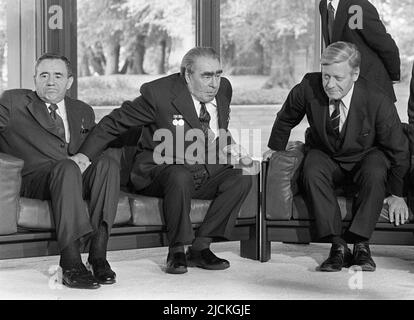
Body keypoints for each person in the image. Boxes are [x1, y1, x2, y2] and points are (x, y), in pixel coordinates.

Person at [72, 47, 253, 275]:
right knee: (179, 175)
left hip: (204, 168)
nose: (214, 83)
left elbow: (218, 128)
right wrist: (83, 155)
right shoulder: (158, 94)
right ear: (187, 75)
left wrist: (230, 146)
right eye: (207, 76)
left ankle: (200, 247)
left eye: (218, 74)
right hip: (159, 170)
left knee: (243, 177)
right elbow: (113, 123)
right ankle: (176, 250)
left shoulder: (224, 89)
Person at [264, 41, 409, 272]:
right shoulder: (308, 86)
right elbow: (286, 118)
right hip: (325, 153)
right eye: (326, 76)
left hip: (365, 156)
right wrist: (274, 149)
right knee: (311, 170)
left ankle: (361, 245)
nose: (329, 84)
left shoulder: (376, 99)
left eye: (337, 78)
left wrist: (398, 194)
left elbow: (399, 148)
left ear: (355, 73)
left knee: (376, 169)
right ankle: (337, 245)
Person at [0, 53, 119, 289]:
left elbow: (94, 146)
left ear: (70, 81)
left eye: (58, 75)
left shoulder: (82, 110)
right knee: (67, 166)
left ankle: (98, 255)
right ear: (34, 79)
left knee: (107, 165)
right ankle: (71, 261)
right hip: (37, 180)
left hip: (72, 178)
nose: (51, 81)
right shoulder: (12, 103)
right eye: (44, 75)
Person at [320, 0, 400, 102]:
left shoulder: (357, 6)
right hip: (343, 88)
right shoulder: (323, 5)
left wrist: (393, 76)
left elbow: (386, 46)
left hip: (371, 87)